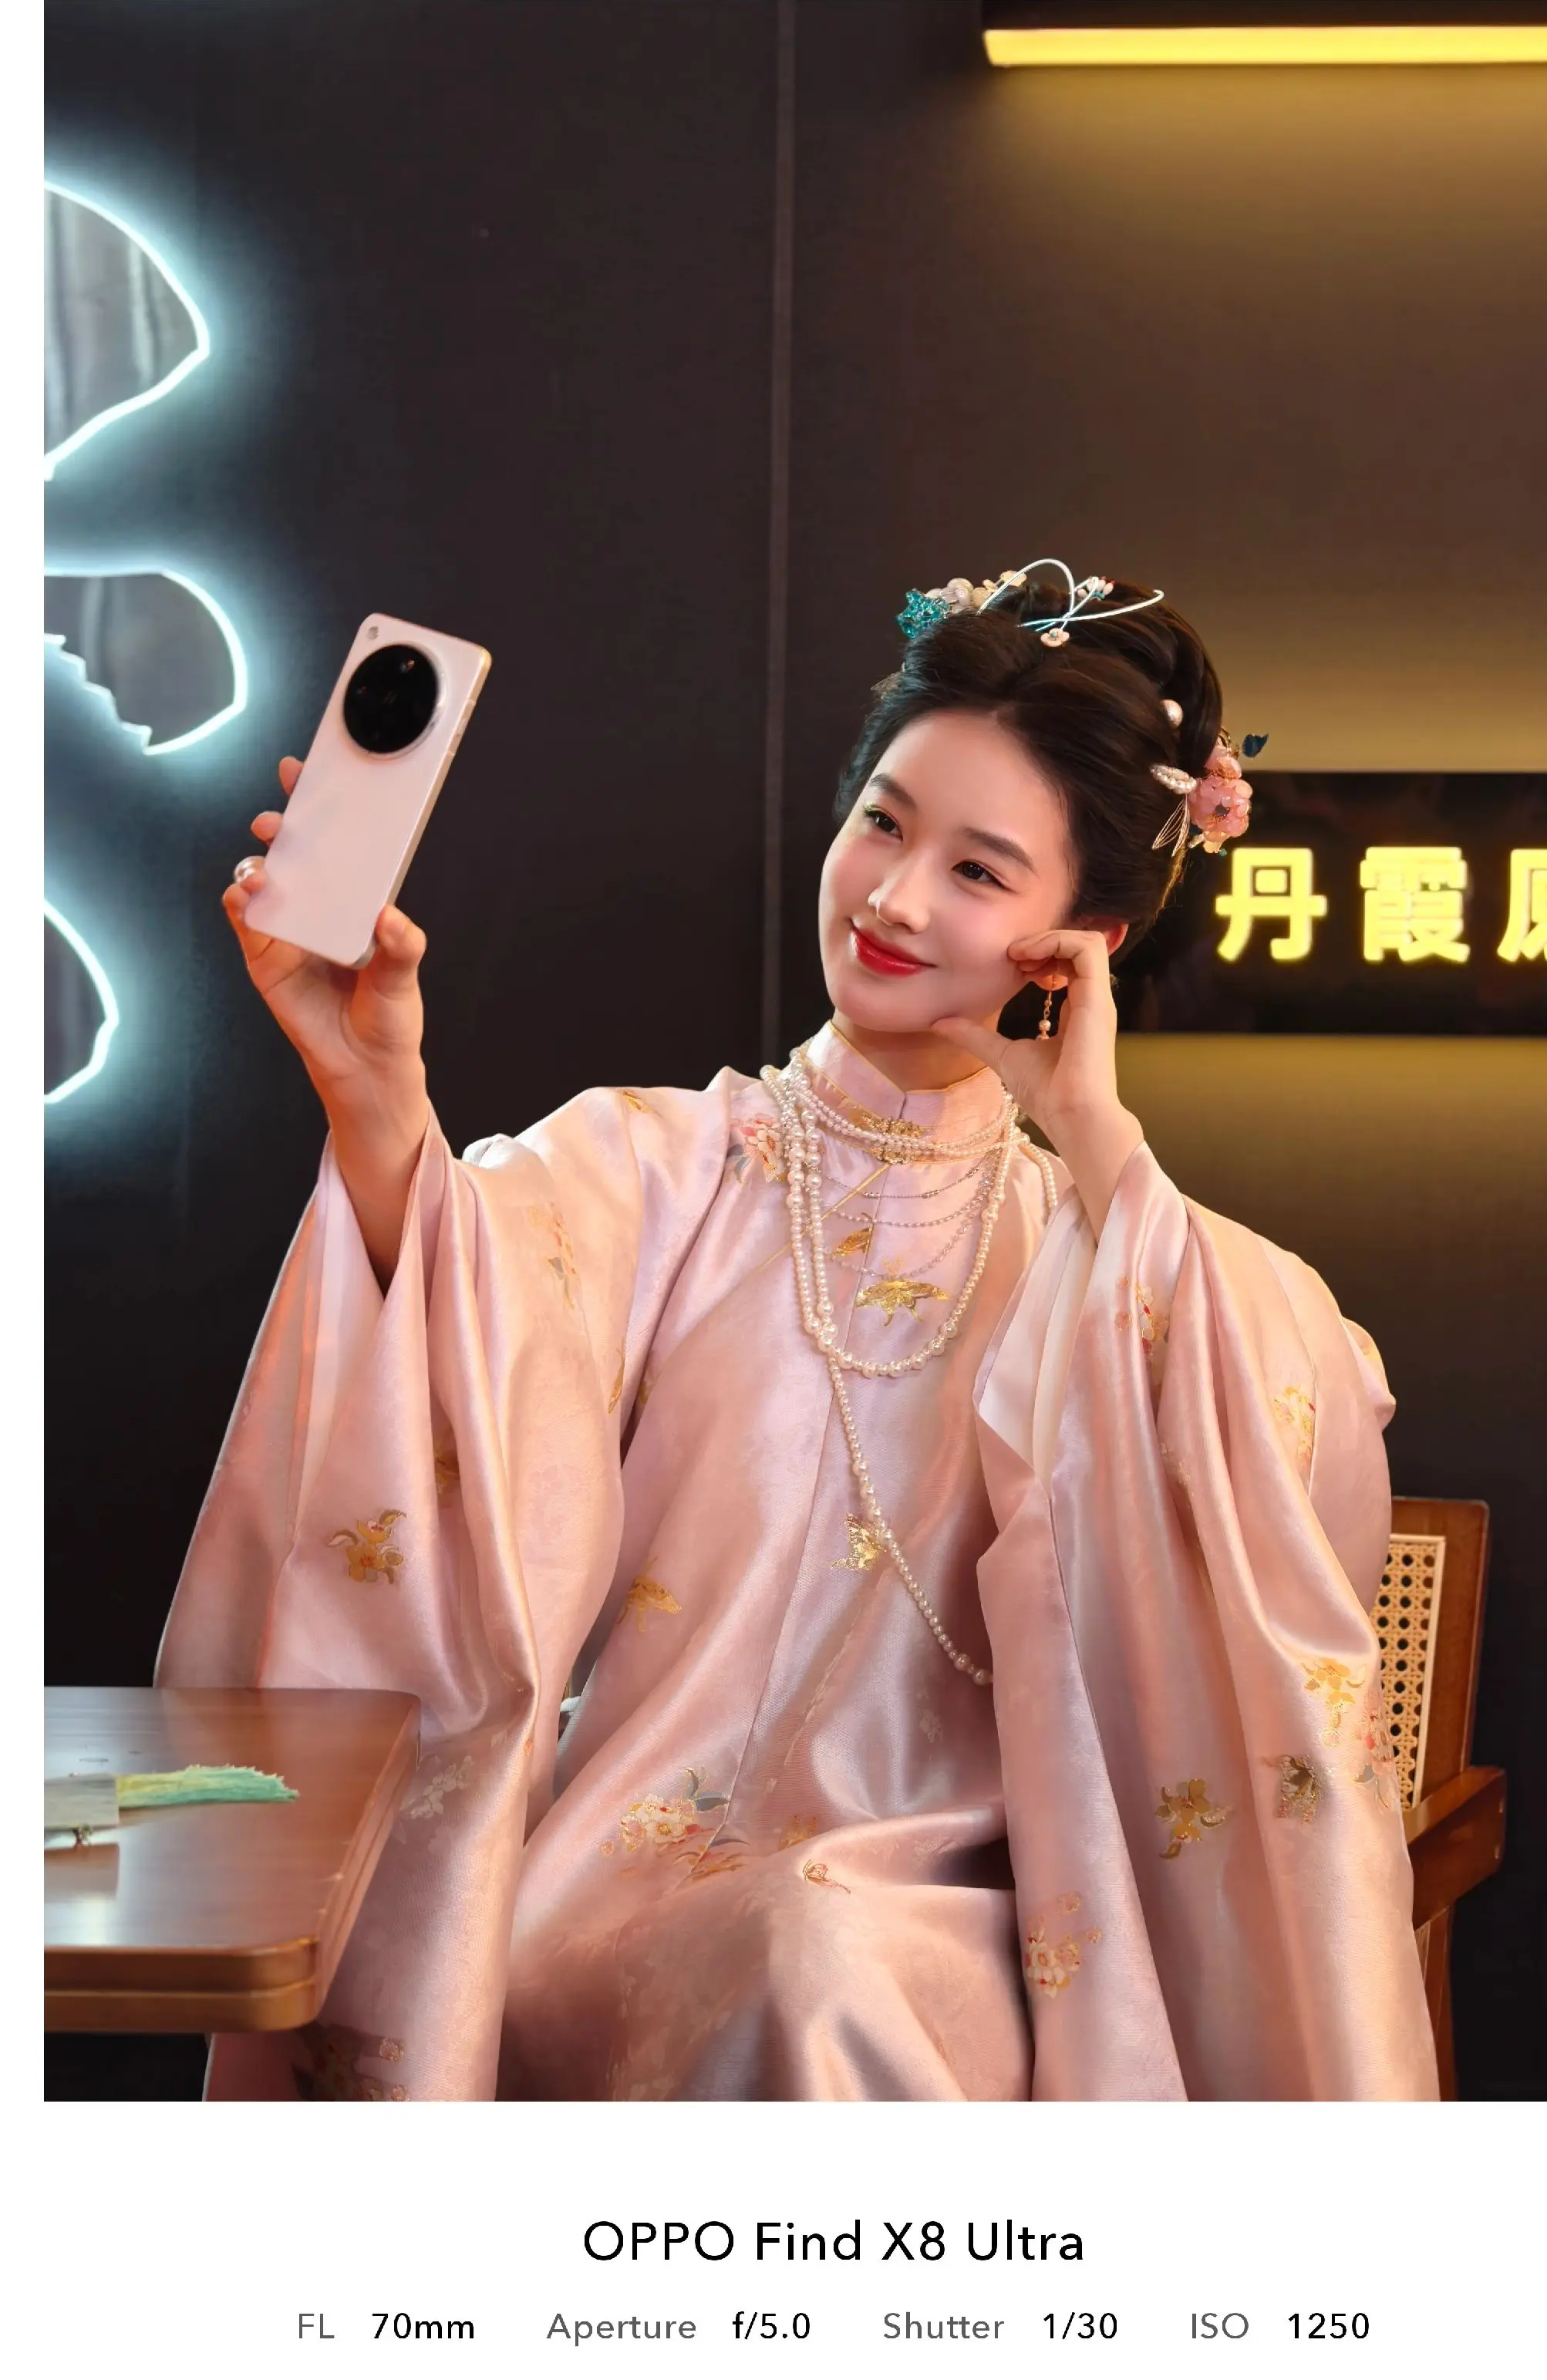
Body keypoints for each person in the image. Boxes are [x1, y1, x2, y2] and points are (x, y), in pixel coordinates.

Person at [159, 559, 1439, 2102]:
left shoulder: (1113, 1255)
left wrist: (1094, 1134)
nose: (894, 897)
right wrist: (374, 1097)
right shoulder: (661, 1166)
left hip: (988, 1921)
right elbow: (444, 1329)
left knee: (819, 1955)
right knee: (798, 1950)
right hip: (616, 1888)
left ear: (1084, 935)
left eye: (979, 871)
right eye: (884, 823)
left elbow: (1289, 1447)